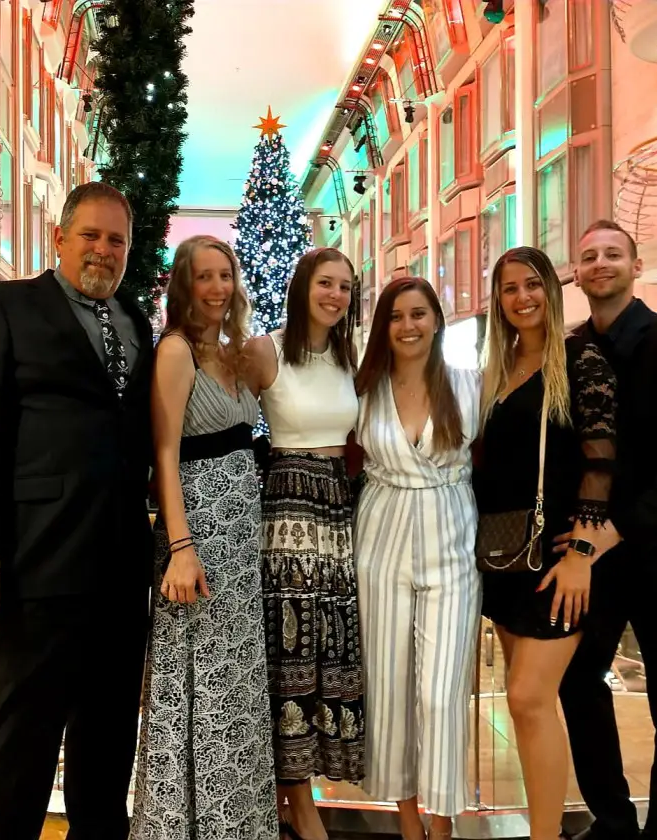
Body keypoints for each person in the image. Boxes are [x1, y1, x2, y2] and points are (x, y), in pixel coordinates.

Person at [0, 182, 154, 840]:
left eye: (116, 240)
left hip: (121, 576)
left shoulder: (137, 322)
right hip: (38, 567)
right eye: (90, 235)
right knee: (15, 752)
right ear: (58, 237)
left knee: (106, 753)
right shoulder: (2, 306)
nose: (103, 250)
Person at [558, 220, 657, 840]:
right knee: (577, 681)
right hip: (595, 559)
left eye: (612, 254)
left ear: (635, 264)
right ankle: (615, 820)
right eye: (589, 255)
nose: (600, 263)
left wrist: (617, 529)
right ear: (577, 271)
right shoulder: (571, 351)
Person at [130, 235, 277, 839]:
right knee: (198, 675)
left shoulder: (239, 353)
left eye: (226, 275)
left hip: (242, 530)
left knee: (235, 674)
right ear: (184, 286)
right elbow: (164, 454)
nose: (218, 288)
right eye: (204, 277)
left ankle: (237, 819)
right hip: (199, 530)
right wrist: (182, 548)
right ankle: (187, 823)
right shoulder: (176, 351)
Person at [474, 246, 620, 840]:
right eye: (509, 289)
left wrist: (583, 552)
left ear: (552, 290)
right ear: (498, 302)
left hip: (557, 560)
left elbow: (603, 460)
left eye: (531, 285)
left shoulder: (581, 360)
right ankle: (545, 831)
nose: (522, 298)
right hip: (504, 557)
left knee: (529, 698)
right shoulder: (500, 367)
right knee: (530, 704)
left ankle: (543, 836)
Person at [353, 276, 482, 840]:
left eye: (418, 314)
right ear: (384, 325)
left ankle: (443, 822)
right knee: (388, 685)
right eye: (396, 316)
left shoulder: (469, 382)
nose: (408, 326)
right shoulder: (364, 387)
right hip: (380, 539)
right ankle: (407, 822)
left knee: (441, 689)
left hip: (451, 538)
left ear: (437, 319)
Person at [245, 247, 364, 840]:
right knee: (290, 656)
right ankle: (301, 810)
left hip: (338, 512)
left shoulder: (351, 357)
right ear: (302, 286)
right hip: (286, 512)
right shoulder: (265, 350)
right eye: (325, 283)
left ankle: (294, 802)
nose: (335, 295)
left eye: (345, 286)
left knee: (325, 656)